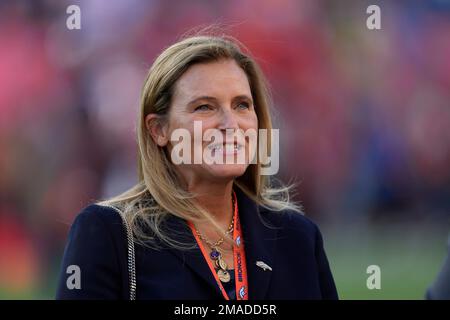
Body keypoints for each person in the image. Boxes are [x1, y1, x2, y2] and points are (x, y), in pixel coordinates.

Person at [56, 35, 338, 300]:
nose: (231, 125)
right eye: (204, 107)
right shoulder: (108, 233)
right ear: (158, 130)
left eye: (242, 105)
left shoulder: (298, 237)